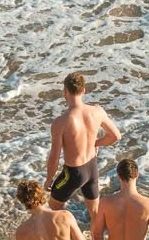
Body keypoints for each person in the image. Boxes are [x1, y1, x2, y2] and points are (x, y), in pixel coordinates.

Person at [45, 72, 119, 213]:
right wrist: (95, 143)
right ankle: (96, 235)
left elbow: (54, 158)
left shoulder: (60, 122)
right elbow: (115, 136)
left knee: (52, 210)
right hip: (92, 167)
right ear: (84, 90)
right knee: (95, 213)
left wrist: (49, 180)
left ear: (65, 91)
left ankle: (68, 233)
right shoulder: (97, 111)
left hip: (73, 173)